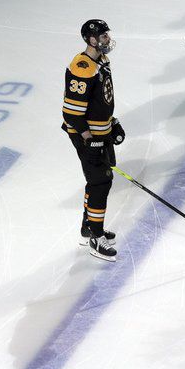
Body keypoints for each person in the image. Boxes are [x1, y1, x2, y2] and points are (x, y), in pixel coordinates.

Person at [62, 19, 124, 262]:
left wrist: (113, 122)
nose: (108, 39)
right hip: (87, 135)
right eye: (104, 36)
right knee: (100, 182)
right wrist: (90, 141)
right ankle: (95, 238)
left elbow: (102, 100)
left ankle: (89, 226)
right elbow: (71, 113)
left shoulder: (102, 61)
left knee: (99, 180)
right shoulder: (81, 68)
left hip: (101, 131)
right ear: (91, 40)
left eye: (108, 35)